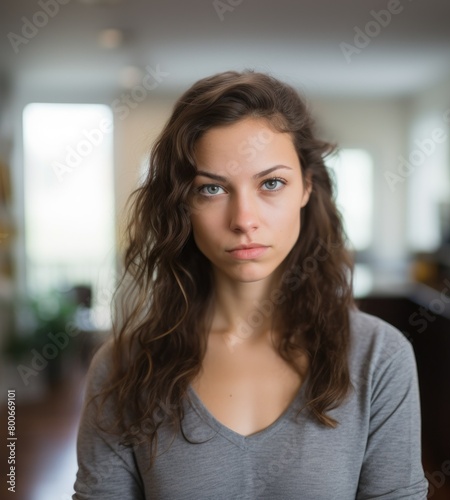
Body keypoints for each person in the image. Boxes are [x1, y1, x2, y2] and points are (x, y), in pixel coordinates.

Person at [73, 70, 429, 499]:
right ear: (182, 203)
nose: (243, 219)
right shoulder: (123, 367)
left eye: (271, 183)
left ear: (306, 187)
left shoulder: (380, 359)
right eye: (211, 189)